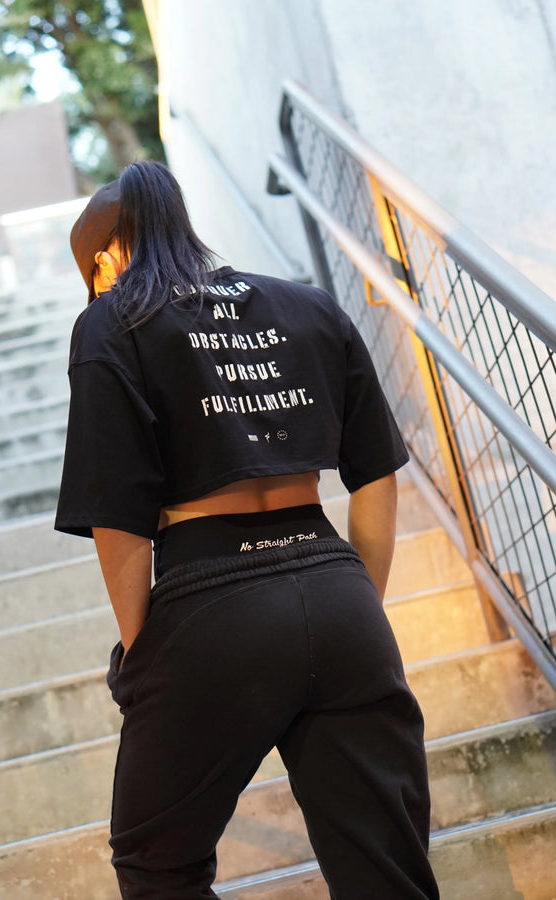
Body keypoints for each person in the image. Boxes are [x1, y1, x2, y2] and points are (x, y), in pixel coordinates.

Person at [55, 160, 439, 900]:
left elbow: (117, 509)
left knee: (157, 863)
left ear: (107, 258)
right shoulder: (307, 305)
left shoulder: (112, 321)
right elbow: (377, 474)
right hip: (336, 589)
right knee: (386, 868)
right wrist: (358, 601)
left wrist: (143, 649)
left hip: (211, 601)